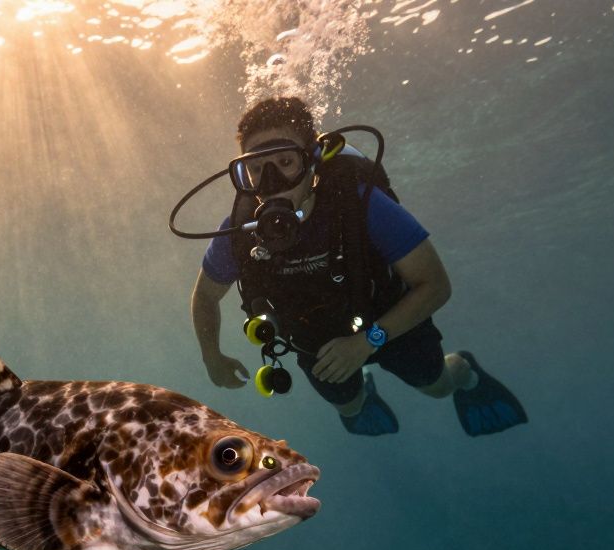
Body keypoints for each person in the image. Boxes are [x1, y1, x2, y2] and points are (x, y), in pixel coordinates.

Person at [189, 97, 526, 436]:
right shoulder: (239, 231)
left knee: (438, 387)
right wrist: (211, 357)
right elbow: (205, 296)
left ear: (311, 164)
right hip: (318, 344)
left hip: (392, 323)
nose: (271, 181)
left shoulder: (361, 206)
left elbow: (436, 285)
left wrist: (367, 342)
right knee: (349, 407)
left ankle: (466, 373)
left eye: (286, 162)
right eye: (257, 168)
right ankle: (363, 387)